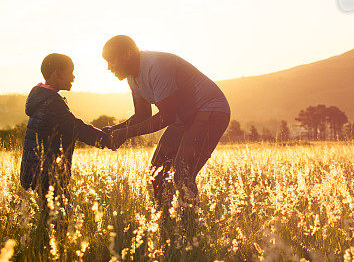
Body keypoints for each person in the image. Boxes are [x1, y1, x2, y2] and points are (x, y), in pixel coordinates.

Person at [102, 35, 231, 206]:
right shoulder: (132, 78)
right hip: (184, 117)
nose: (109, 67)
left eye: (111, 60)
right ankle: (165, 224)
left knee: (182, 174)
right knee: (158, 171)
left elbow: (167, 116)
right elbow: (142, 115)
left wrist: (124, 133)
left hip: (210, 110)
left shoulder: (156, 66)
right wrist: (115, 129)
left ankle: (191, 229)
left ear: (127, 54)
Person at [19, 53, 112, 215]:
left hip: (38, 170)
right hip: (47, 173)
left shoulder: (43, 98)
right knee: (60, 219)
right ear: (57, 73)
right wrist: (107, 140)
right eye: (71, 72)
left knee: (54, 216)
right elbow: (75, 127)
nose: (74, 77)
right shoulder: (52, 102)